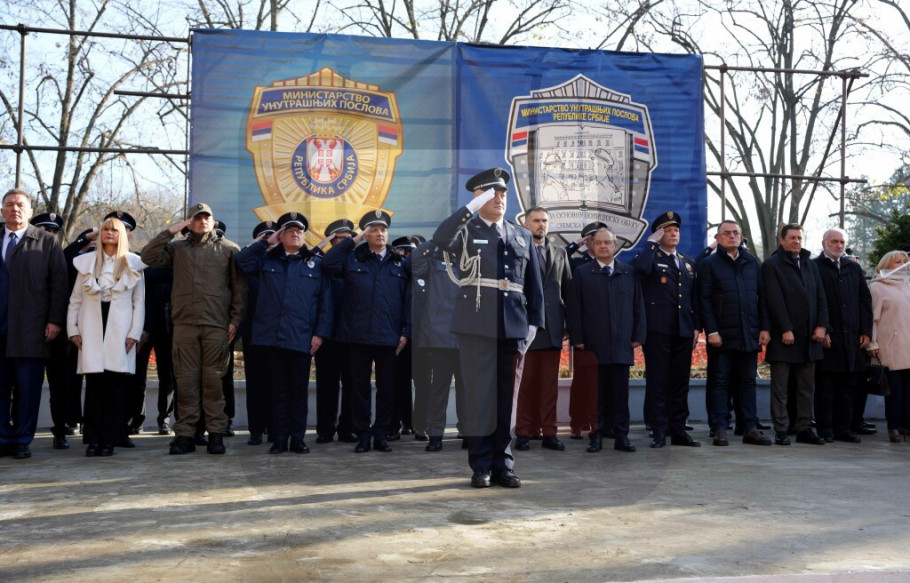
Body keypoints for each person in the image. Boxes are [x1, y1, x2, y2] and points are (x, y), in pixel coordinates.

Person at [434, 168, 544, 488]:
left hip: (513, 328)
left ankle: (503, 465)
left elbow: (534, 284)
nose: (499, 198)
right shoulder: (465, 231)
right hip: (476, 327)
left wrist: (533, 323)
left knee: (507, 401)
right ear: (478, 198)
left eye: (503, 193)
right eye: (492, 193)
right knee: (479, 400)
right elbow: (441, 238)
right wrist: (471, 207)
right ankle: (481, 465)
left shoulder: (521, 234)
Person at [140, 202, 246, 455]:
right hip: (184, 325)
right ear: (189, 222)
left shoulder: (229, 249)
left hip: (216, 325)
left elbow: (239, 289)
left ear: (213, 221)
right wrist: (172, 231)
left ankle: (216, 434)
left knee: (214, 382)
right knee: (186, 383)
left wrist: (235, 320)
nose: (202, 221)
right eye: (197, 218)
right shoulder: (177, 249)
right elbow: (148, 256)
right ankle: (185, 436)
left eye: (206, 217)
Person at [235, 212, 332, 454]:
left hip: (302, 338)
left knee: (298, 392)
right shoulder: (266, 260)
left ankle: (297, 439)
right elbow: (241, 261)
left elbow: (325, 302)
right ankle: (279, 439)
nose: (295, 234)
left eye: (299, 231)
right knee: (277, 392)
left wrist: (320, 334)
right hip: (273, 338)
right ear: (281, 236)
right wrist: (266, 243)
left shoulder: (316, 264)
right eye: (290, 231)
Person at [323, 210, 409, 454]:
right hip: (357, 335)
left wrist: (406, 331)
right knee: (358, 390)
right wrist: (354, 240)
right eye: (374, 229)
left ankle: (381, 434)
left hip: (389, 337)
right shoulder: (353, 259)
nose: (380, 233)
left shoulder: (399, 262)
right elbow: (328, 264)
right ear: (366, 234)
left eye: (383, 229)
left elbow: (408, 300)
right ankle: (362, 435)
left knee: (386, 390)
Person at [67, 217, 145, 456]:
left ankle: (109, 440)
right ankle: (93, 440)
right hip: (91, 324)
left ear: (123, 234)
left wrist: (134, 333)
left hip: (120, 327)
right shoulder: (87, 261)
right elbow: (75, 299)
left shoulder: (134, 263)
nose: (109, 233)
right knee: (94, 385)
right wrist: (72, 329)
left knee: (116, 385)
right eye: (105, 229)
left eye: (114, 230)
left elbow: (139, 303)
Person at [0, 188, 68, 459]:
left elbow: (59, 284)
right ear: (2, 210)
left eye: (20, 205)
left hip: (32, 328)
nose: (15, 208)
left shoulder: (46, 242)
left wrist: (54, 320)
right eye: (9, 204)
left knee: (27, 389)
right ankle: (2, 438)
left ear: (29, 211)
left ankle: (21, 440)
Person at [567, 226, 645, 454]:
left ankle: (622, 437)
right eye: (598, 242)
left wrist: (638, 336)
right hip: (593, 345)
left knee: (620, 395)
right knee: (596, 396)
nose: (603, 246)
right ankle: (596, 436)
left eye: (607, 242)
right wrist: (578, 338)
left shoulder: (629, 273)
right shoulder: (582, 273)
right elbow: (575, 308)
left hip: (621, 345)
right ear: (591, 245)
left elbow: (638, 306)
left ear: (615, 245)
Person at [697, 220, 773, 447]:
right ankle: (720, 427)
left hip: (748, 332)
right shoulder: (709, 264)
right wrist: (711, 331)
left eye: (736, 233)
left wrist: (765, 327)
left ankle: (750, 427)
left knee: (748, 381)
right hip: (721, 336)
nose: (732, 236)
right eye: (727, 233)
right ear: (718, 238)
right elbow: (704, 301)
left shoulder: (752, 262)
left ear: (741, 236)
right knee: (720, 381)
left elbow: (763, 297)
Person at [632, 211, 700, 448]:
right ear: (658, 234)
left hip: (683, 329)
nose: (673, 234)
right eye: (667, 230)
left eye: (676, 230)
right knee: (658, 381)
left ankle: (678, 429)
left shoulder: (687, 262)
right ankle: (659, 430)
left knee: (680, 382)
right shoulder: (650, 257)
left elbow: (693, 298)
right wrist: (650, 244)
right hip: (658, 330)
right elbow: (640, 271)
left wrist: (696, 326)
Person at [762, 223, 829, 446]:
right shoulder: (772, 265)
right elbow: (774, 299)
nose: (796, 241)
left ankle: (804, 429)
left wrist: (822, 326)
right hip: (785, 338)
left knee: (806, 388)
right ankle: (781, 430)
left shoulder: (810, 264)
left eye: (799, 238)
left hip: (810, 338)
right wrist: (785, 328)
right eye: (792, 237)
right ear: (782, 240)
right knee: (780, 389)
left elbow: (821, 297)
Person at [514, 207, 571, 452]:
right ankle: (523, 432)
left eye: (544, 220)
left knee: (549, 387)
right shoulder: (517, 250)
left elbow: (567, 289)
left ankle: (549, 433)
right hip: (525, 327)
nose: (541, 224)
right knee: (524, 386)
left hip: (552, 328)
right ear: (526, 224)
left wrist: (568, 325)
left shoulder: (559, 252)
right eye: (536, 220)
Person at [813, 228, 872, 443]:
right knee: (826, 387)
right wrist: (823, 328)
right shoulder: (814, 267)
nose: (839, 245)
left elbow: (864, 300)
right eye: (834, 241)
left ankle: (844, 429)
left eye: (842, 242)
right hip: (828, 336)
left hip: (852, 337)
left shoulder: (853, 268)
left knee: (848, 386)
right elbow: (813, 301)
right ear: (824, 243)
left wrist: (866, 331)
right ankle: (825, 429)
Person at [411, 238, 467, 452]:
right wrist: (437, 239)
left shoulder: (473, 260)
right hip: (440, 335)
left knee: (467, 389)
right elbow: (414, 263)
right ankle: (435, 434)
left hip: (467, 334)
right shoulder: (434, 259)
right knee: (439, 389)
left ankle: (468, 432)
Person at [30, 212, 72, 450]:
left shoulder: (62, 256)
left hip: (58, 332)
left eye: (55, 231)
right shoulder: (21, 254)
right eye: (45, 230)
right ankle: (18, 431)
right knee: (23, 384)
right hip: (28, 330)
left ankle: (60, 430)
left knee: (59, 385)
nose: (50, 235)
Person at [313, 218, 357, 444]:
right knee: (327, 384)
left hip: (352, 333)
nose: (345, 243)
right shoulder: (323, 262)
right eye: (340, 239)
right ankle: (325, 429)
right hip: (328, 333)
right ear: (331, 241)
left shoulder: (358, 261)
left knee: (352, 384)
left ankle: (347, 428)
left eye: (349, 239)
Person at [565, 221, 606, 440]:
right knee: (582, 380)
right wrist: (574, 245)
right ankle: (578, 422)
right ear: (587, 242)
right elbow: (556, 260)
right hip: (584, 331)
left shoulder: (612, 264)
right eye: (593, 238)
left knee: (603, 380)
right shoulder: (576, 264)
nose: (600, 243)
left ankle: (599, 422)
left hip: (606, 332)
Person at [866, 250, 910, 443]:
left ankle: (907, 425)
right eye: (897, 262)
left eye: (904, 262)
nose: (902, 265)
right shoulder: (877, 287)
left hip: (908, 344)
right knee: (894, 390)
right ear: (885, 265)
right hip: (891, 346)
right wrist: (872, 343)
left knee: (908, 389)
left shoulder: (907, 285)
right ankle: (893, 426)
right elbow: (871, 319)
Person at [240, 220, 276, 446]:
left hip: (277, 332)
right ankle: (255, 429)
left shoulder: (282, 260)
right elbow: (240, 261)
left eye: (273, 237)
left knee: (276, 382)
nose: (271, 241)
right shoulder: (252, 262)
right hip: (253, 331)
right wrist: (260, 245)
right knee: (255, 383)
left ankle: (274, 428)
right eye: (265, 237)